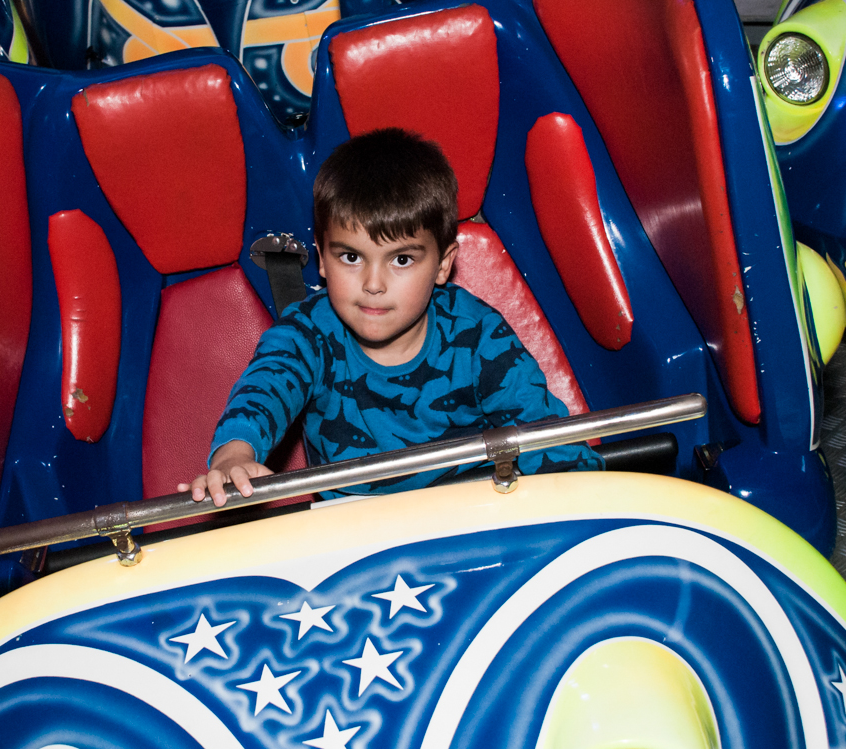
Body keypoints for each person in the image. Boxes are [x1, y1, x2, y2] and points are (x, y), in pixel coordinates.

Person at [179, 127, 602, 506]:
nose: (374, 283)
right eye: (350, 257)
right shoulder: (305, 336)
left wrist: (588, 499)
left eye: (401, 259)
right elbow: (266, 388)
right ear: (322, 259)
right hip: (355, 532)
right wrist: (235, 455)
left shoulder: (477, 335)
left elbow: (543, 433)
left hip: (473, 513)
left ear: (443, 263)